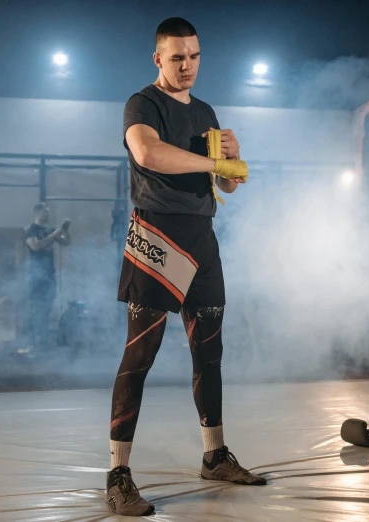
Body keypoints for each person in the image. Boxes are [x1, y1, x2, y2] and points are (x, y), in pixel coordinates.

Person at [106, 16, 264, 517]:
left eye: (194, 56)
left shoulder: (207, 111)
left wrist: (233, 162)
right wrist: (214, 164)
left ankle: (215, 455)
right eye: (177, 57)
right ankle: (118, 474)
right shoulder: (142, 104)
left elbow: (227, 187)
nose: (187, 66)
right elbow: (148, 153)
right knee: (140, 356)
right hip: (156, 234)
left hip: (202, 236)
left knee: (209, 353)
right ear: (158, 58)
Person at [24, 202, 70, 353]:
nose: (48, 214)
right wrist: (55, 235)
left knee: (46, 309)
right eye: (46, 212)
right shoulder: (31, 229)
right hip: (36, 276)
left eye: (49, 212)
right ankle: (32, 343)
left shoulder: (49, 230)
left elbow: (66, 242)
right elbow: (35, 246)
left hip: (49, 275)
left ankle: (42, 343)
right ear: (37, 212)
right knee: (35, 310)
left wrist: (65, 230)